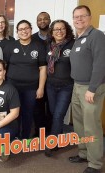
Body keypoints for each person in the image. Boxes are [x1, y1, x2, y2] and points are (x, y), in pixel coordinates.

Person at [68, 5, 105, 173]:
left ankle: (95, 164)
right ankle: (83, 153)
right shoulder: (79, 38)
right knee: (80, 124)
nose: (79, 19)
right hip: (77, 86)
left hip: (91, 88)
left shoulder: (96, 35)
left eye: (83, 16)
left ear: (90, 18)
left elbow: (100, 64)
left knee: (92, 126)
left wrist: (92, 88)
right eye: (76, 17)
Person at [3, 20, 47, 139]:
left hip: (31, 88)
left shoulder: (38, 46)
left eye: (26, 28)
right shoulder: (11, 46)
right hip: (13, 87)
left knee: (28, 113)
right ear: (17, 32)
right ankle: (13, 137)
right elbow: (4, 67)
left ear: (31, 30)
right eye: (21, 29)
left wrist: (41, 88)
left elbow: (43, 68)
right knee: (13, 114)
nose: (24, 31)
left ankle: (25, 137)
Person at [44, 20, 75, 157]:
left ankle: (52, 143)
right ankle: (59, 136)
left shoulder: (72, 44)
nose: (59, 31)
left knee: (58, 115)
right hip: (50, 85)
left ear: (67, 30)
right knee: (53, 113)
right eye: (56, 29)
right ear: (52, 32)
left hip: (66, 86)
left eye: (62, 29)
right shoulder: (48, 46)